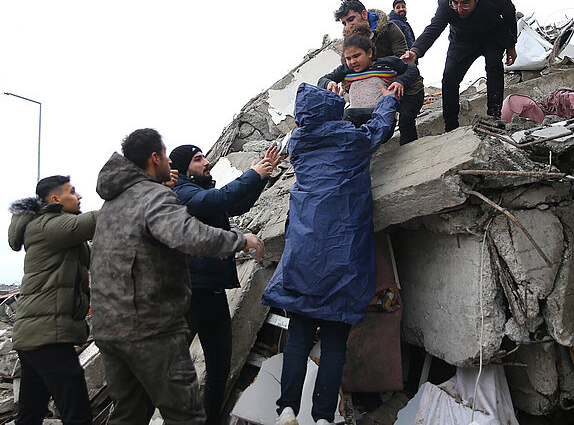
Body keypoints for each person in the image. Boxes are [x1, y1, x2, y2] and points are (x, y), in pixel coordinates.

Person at [90, 128, 264, 425]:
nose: (170, 162)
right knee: (185, 414)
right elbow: (187, 234)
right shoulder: (153, 196)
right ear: (155, 157)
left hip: (109, 328)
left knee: (129, 414)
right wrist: (237, 241)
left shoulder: (113, 203)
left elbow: (150, 250)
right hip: (148, 327)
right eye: (166, 154)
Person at [262, 83, 398, 425]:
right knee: (336, 339)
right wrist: (388, 98)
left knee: (300, 335)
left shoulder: (298, 143)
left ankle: (287, 410)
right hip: (343, 252)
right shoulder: (351, 139)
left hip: (305, 251)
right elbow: (380, 127)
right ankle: (323, 417)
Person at [169, 143, 280, 423]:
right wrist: (252, 173)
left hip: (213, 293)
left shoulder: (201, 190)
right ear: (183, 168)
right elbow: (217, 200)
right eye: (198, 159)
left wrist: (262, 176)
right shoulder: (181, 193)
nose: (206, 162)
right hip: (190, 294)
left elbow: (235, 203)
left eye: (204, 156)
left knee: (219, 368)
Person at [8, 176, 96, 425]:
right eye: (73, 192)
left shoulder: (48, 225)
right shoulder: (49, 225)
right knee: (76, 413)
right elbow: (95, 221)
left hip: (37, 335)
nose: (79, 196)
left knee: (30, 413)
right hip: (48, 337)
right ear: (55, 199)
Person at [401, 0, 518, 131]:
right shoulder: (445, 5)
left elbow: (510, 14)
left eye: (465, 3)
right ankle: (451, 126)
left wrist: (511, 45)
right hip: (462, 41)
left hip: (493, 36)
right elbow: (433, 28)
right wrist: (415, 52)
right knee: (449, 78)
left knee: (494, 66)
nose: (459, 8)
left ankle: (494, 115)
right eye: (455, 3)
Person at [318, 32, 423, 145]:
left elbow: (412, 70)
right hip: (360, 122)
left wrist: (400, 82)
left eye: (356, 56)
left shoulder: (387, 63)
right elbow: (322, 80)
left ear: (369, 53)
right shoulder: (345, 70)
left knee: (348, 115)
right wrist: (329, 83)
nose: (352, 61)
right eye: (348, 58)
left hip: (383, 117)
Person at [334, 0, 408, 60]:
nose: (348, 26)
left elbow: (404, 60)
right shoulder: (347, 44)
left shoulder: (389, 29)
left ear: (364, 14)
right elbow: (345, 69)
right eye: (344, 23)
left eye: (351, 19)